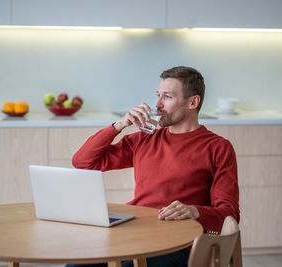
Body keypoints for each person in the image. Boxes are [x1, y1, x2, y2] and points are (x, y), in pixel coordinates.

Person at [67, 66, 239, 267]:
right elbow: (83, 162)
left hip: (179, 245)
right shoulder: (144, 139)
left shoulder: (218, 147)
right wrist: (119, 125)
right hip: (135, 234)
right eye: (157, 95)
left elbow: (229, 214)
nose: (157, 104)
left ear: (193, 102)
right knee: (75, 265)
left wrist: (195, 211)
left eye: (167, 97)